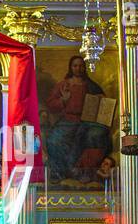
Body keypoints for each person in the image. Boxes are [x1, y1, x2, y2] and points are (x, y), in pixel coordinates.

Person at [46, 55, 112, 185]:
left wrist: (100, 100)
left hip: (88, 121)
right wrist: (63, 100)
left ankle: (85, 173)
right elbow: (51, 104)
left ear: (85, 68)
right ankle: (60, 172)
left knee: (95, 136)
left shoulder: (91, 86)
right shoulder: (63, 85)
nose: (78, 68)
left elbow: (104, 104)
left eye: (81, 66)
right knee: (53, 140)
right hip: (68, 120)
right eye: (75, 65)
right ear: (71, 67)